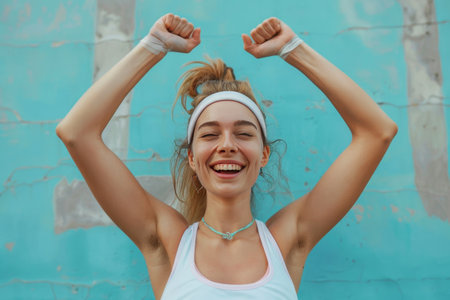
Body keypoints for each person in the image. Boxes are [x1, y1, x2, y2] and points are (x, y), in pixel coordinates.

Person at [56, 13, 398, 300]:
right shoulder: (167, 240)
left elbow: (377, 132)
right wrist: (152, 46)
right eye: (209, 134)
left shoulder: (287, 239)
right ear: (192, 158)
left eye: (244, 133)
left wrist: (293, 49)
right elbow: (76, 132)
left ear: (263, 155)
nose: (227, 144)